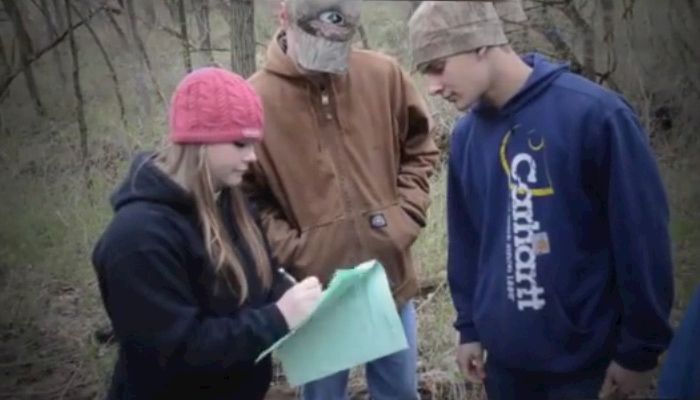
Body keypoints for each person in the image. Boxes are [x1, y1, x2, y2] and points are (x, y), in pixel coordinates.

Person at [408, 2, 674, 399]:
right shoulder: (466, 138)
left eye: (438, 66)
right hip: (507, 369)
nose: (432, 86)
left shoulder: (596, 116)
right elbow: (467, 243)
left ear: (480, 44)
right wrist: (470, 328)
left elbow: (643, 241)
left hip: (589, 367)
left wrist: (640, 351)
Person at [244, 0, 440, 398]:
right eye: (315, 45)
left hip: (389, 278)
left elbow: (420, 149)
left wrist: (402, 217)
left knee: (399, 392)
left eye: (337, 48)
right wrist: (295, 250)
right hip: (313, 294)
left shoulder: (383, 75)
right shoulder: (254, 99)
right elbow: (246, 196)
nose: (326, 62)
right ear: (284, 15)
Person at [91, 67, 322, 400]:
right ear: (198, 140)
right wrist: (278, 317)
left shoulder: (233, 205)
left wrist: (301, 298)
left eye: (254, 143)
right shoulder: (136, 240)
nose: (252, 157)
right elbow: (177, 352)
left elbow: (264, 279)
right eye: (241, 142)